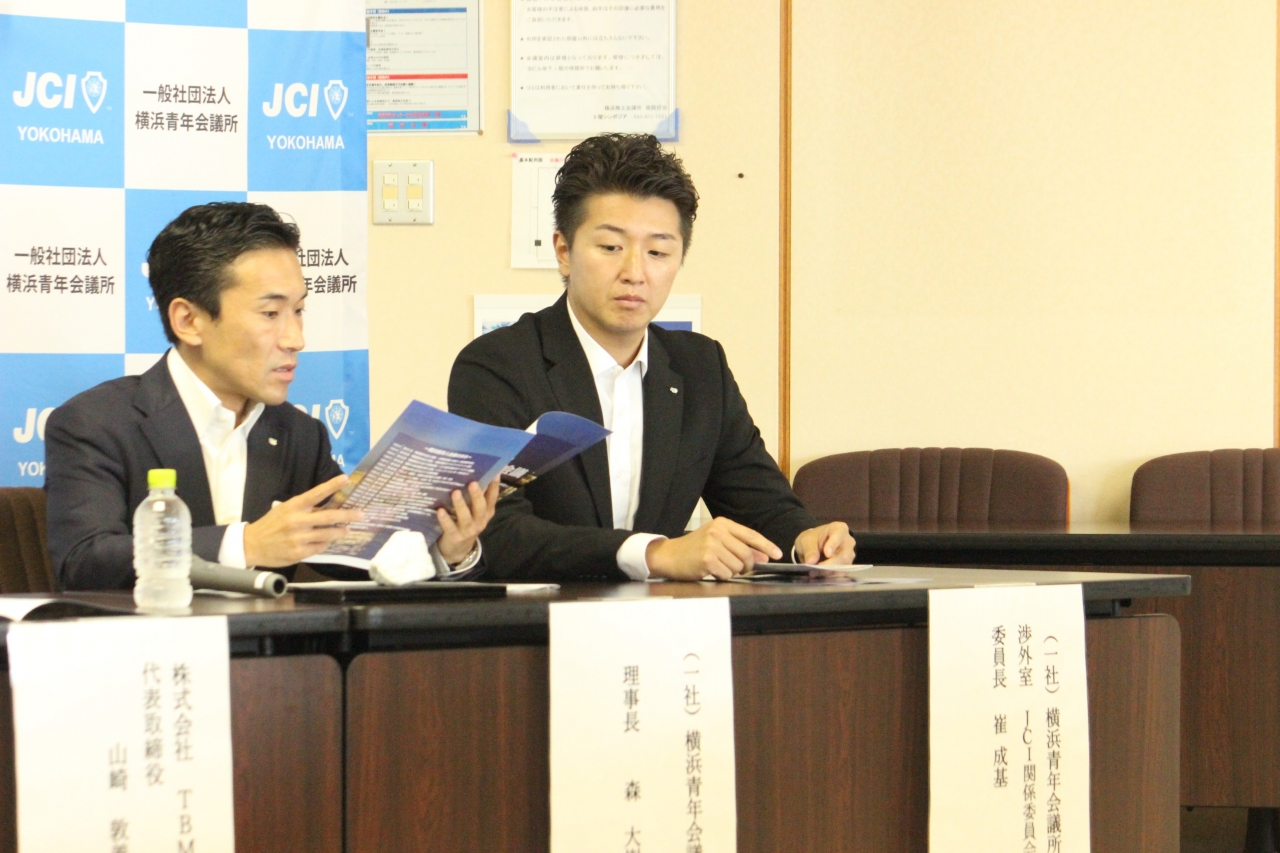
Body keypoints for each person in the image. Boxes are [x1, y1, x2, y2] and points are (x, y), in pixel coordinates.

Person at [448, 133, 854, 581]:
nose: (635, 273)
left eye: (658, 252)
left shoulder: (701, 367)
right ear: (564, 251)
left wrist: (806, 540)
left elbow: (760, 503)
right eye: (610, 247)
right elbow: (496, 530)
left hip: (664, 615)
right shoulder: (497, 366)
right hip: (541, 615)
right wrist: (654, 553)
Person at [46, 202, 497, 590]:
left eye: (298, 311)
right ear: (188, 321)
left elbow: (351, 555)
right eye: (270, 313)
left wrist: (445, 551)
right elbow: (84, 560)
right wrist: (246, 545)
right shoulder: (96, 423)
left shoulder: (300, 435)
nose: (295, 338)